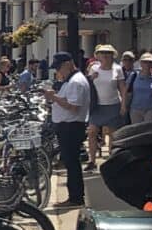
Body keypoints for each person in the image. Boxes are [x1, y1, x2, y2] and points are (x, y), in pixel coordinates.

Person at [48, 50, 92, 207]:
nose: (58, 71)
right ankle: (74, 195)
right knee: (70, 162)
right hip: (67, 125)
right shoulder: (70, 80)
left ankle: (75, 197)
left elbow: (73, 106)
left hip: (71, 126)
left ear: (68, 65)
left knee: (72, 163)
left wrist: (53, 97)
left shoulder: (76, 82)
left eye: (59, 68)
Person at [85, 43, 123, 169]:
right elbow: (86, 84)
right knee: (92, 132)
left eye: (108, 53)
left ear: (113, 56)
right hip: (97, 106)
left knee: (112, 134)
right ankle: (92, 160)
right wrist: (90, 77)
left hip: (113, 105)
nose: (106, 56)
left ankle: (112, 159)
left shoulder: (118, 69)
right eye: (103, 53)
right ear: (98, 56)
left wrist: (124, 105)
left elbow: (122, 88)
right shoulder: (94, 68)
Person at [123, 51, 152, 124]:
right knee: (137, 132)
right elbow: (125, 91)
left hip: (151, 109)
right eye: (145, 62)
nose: (147, 64)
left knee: (148, 130)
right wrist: (124, 106)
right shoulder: (134, 75)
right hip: (135, 109)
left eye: (149, 62)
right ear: (141, 63)